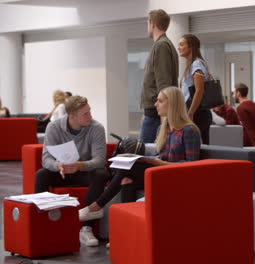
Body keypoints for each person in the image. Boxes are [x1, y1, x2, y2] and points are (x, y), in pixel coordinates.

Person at [79, 87, 201, 222]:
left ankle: (96, 207)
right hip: (160, 173)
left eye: (160, 101)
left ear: (172, 104)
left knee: (128, 169)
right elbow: (161, 157)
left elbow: (192, 166)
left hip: (176, 178)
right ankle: (125, 231)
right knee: (126, 180)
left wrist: (152, 162)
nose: (155, 104)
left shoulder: (189, 130)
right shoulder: (163, 128)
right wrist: (143, 159)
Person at [34, 95, 109, 247]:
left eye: (89, 111)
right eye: (85, 114)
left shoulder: (97, 128)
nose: (90, 116)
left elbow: (100, 160)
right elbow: (46, 159)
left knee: (101, 173)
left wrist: (81, 165)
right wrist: (58, 166)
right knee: (41, 175)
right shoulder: (54, 127)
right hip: (63, 172)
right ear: (72, 116)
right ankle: (41, 223)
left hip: (85, 172)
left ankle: (86, 228)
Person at [140, 9, 179, 143]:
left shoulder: (162, 45)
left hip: (157, 113)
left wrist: (164, 120)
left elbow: (164, 83)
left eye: (147, 23)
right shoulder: (162, 44)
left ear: (152, 24)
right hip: (153, 111)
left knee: (144, 156)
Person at [179, 34, 212, 144]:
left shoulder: (196, 64)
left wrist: (190, 112)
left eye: (181, 44)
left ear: (191, 47)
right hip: (195, 110)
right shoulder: (192, 64)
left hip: (197, 112)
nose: (179, 47)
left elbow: (199, 90)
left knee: (196, 146)